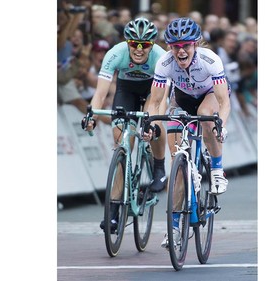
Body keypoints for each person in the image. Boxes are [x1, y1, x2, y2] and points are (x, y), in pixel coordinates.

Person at [143, 17, 231, 247]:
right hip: (182, 99)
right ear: (170, 47)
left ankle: (217, 168)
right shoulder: (164, 64)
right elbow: (155, 101)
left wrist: (220, 124)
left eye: (186, 46)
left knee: (205, 115)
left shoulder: (210, 60)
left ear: (196, 44)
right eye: (175, 47)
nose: (181, 52)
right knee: (178, 167)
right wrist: (152, 125)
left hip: (209, 96)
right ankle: (173, 226)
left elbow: (224, 102)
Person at [82, 17, 169, 231]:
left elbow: (160, 101)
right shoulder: (115, 53)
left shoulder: (161, 58)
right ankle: (113, 212)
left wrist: (152, 124)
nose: (139, 50)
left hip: (152, 90)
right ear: (127, 43)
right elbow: (101, 92)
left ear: (152, 45)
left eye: (145, 45)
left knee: (153, 121)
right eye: (134, 45)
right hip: (126, 89)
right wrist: (91, 115)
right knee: (122, 144)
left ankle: (159, 168)